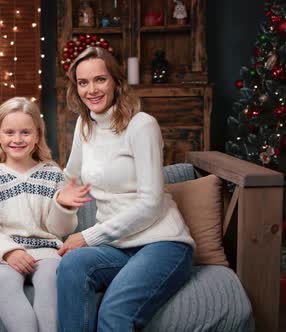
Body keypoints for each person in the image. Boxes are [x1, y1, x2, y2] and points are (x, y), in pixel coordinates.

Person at [56, 46, 195, 332]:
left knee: (114, 311)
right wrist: (58, 196)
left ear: (117, 83)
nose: (91, 90)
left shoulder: (141, 125)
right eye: (83, 82)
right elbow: (69, 180)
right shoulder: (85, 125)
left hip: (162, 243)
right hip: (117, 247)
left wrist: (88, 236)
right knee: (71, 267)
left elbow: (151, 204)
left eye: (100, 80)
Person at [0, 97, 90, 332]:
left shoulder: (52, 174)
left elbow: (61, 230)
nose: (17, 139)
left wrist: (62, 206)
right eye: (9, 132)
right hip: (2, 255)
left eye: (25, 132)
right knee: (5, 280)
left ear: (37, 135)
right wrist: (10, 252)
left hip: (46, 251)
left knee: (49, 278)